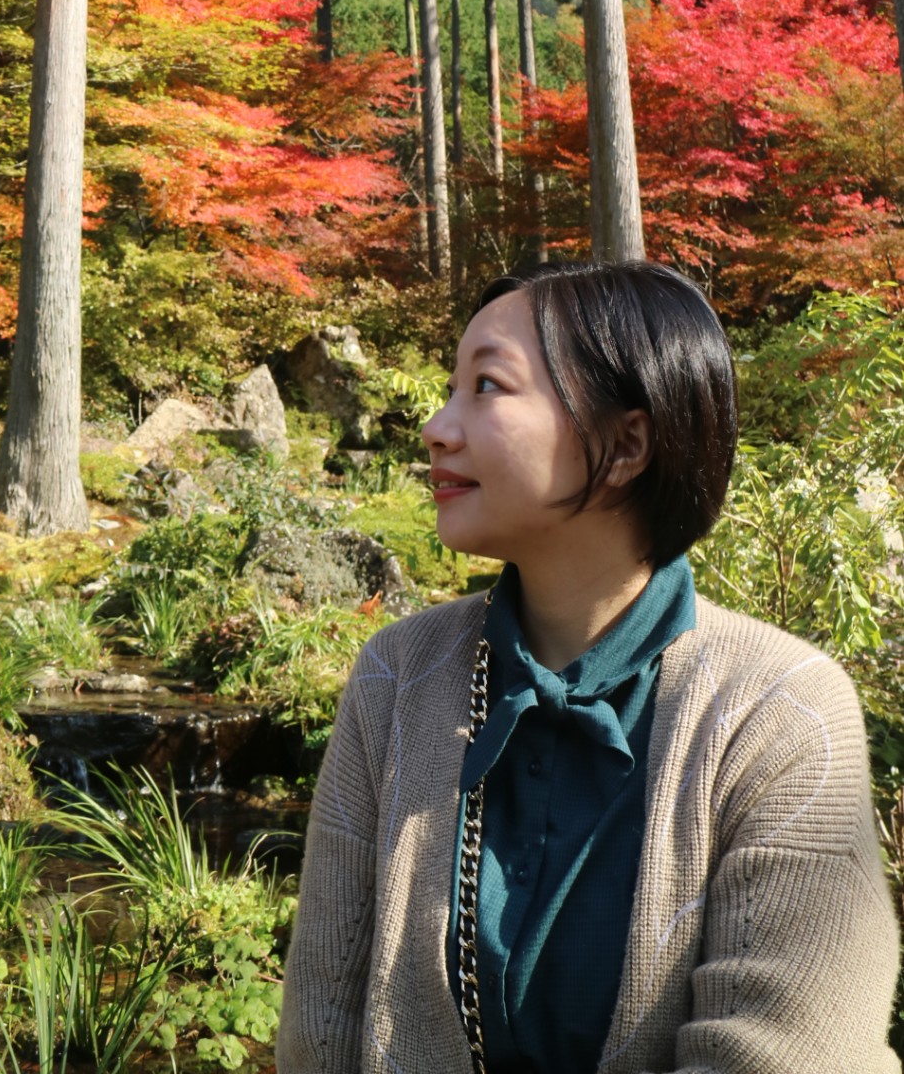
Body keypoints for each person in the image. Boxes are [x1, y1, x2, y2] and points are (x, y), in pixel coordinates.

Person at [276, 261, 901, 1074]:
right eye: (450, 388)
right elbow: (321, 1026)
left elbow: (786, 1053)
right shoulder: (397, 677)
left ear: (627, 444)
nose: (436, 425)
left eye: (487, 386)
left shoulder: (778, 709)